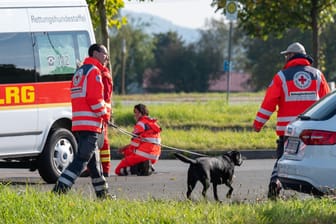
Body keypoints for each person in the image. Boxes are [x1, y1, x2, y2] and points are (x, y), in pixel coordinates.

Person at [253, 42, 330, 200]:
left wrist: (258, 124)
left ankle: (275, 184)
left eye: (287, 55)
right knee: (314, 161)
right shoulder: (317, 75)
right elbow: (327, 101)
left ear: (291, 56)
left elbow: (269, 103)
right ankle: (321, 193)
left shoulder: (281, 76)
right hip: (311, 130)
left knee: (282, 160)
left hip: (288, 131)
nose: (286, 58)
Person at [53, 43, 112, 199]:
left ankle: (103, 194)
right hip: (91, 124)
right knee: (81, 161)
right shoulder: (94, 72)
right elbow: (94, 98)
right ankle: (59, 191)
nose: (107, 57)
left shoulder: (80, 71)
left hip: (80, 123)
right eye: (104, 53)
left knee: (94, 164)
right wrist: (105, 115)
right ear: (95, 53)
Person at [115, 104, 161, 176]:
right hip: (154, 157)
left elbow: (134, 145)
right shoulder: (153, 124)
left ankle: (140, 168)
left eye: (135, 112)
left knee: (118, 170)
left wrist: (125, 152)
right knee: (132, 156)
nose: (134, 115)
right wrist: (125, 148)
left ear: (141, 113)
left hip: (143, 155)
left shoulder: (140, 124)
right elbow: (143, 142)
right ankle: (146, 166)